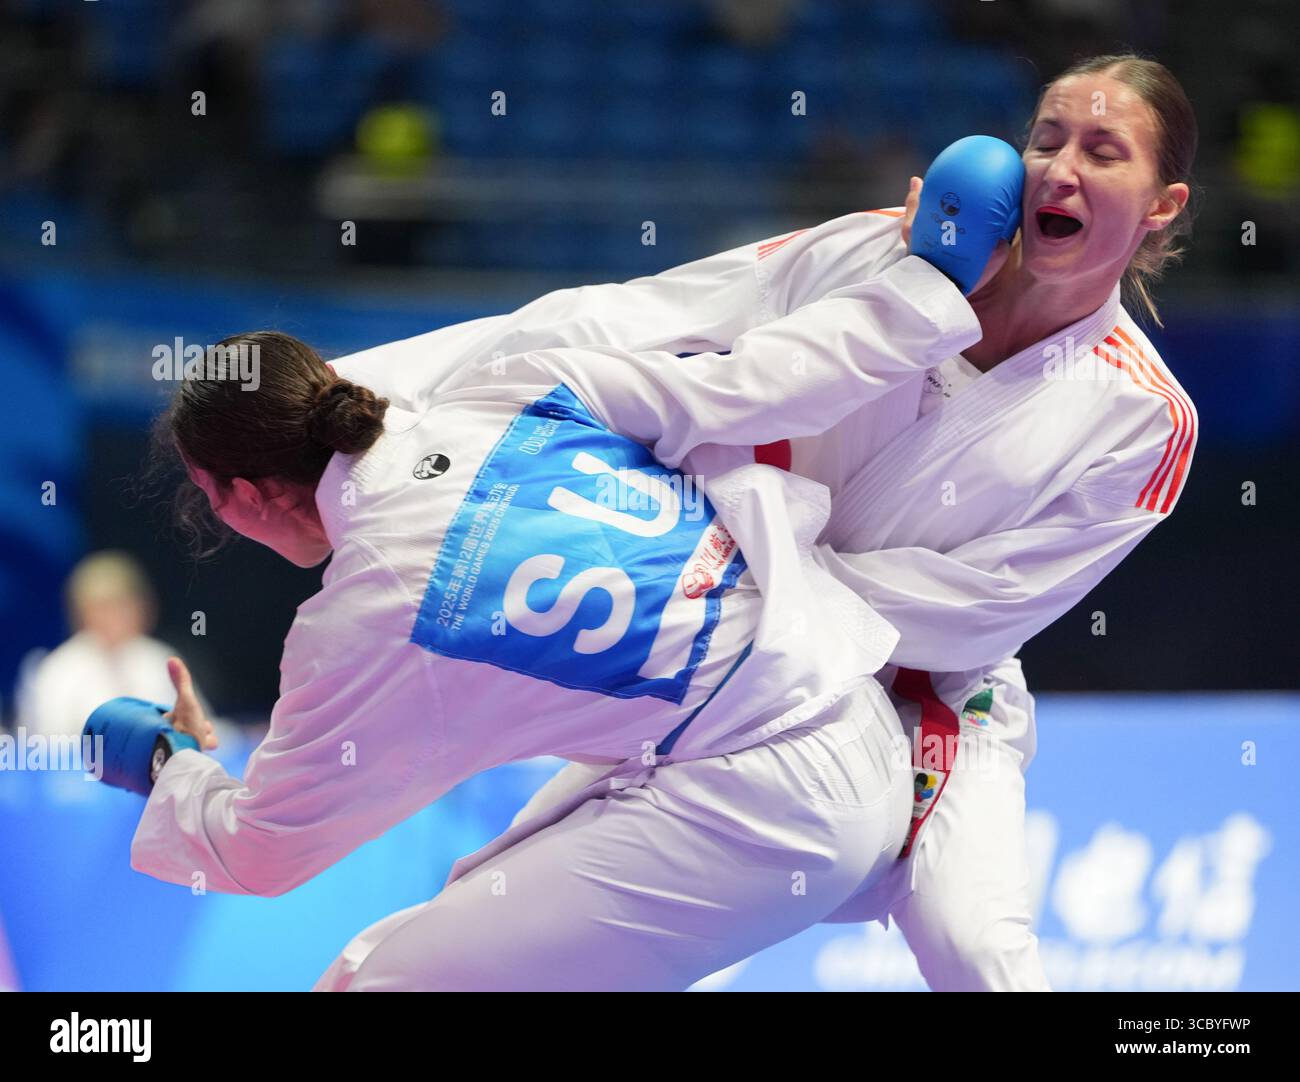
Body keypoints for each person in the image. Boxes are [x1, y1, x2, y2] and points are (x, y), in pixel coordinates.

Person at [331, 53, 1197, 991]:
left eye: (1103, 152)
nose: (1060, 169)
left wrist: (746, 570)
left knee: (976, 949)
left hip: (925, 697)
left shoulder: (1144, 414)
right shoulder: (880, 255)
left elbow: (980, 613)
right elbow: (628, 316)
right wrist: (361, 389)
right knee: (514, 911)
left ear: (1162, 204)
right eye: (1047, 138)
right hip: (738, 667)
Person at [120, 241, 996, 990]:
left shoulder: (365, 618)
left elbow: (264, 849)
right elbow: (751, 378)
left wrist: (163, 763)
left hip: (771, 809)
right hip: (841, 717)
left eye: (211, 503)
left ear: (243, 495)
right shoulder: (510, 390)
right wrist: (927, 285)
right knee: (403, 958)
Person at [16, 551, 200, 739]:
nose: (113, 618)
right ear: (80, 612)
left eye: (122, 605)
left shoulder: (162, 659)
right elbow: (47, 746)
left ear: (143, 608)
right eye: (102, 608)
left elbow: (198, 726)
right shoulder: (58, 669)